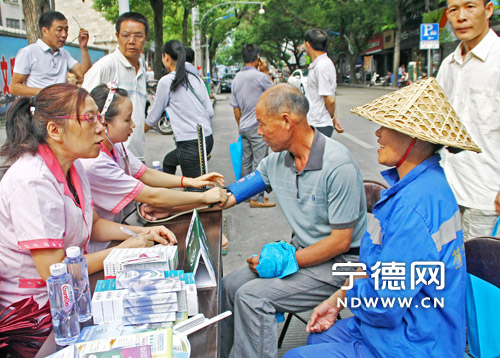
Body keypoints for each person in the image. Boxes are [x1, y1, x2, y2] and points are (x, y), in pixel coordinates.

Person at [284, 77, 477, 358]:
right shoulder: (417, 186)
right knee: (319, 339)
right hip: (407, 325)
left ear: (413, 136)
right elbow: (377, 267)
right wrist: (337, 299)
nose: (378, 134)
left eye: (386, 126)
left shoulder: (414, 205)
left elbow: (384, 305)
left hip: (414, 341)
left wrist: (348, 295)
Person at [0, 84, 174, 337]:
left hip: (74, 295)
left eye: (100, 118)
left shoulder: (74, 165)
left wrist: (140, 233)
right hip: (38, 316)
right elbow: (54, 269)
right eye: (89, 119)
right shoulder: (32, 180)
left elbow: (93, 224)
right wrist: (121, 252)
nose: (101, 128)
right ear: (55, 131)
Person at [218, 83, 367, 358]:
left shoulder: (338, 165)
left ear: (287, 121)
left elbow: (340, 241)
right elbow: (230, 195)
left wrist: (282, 263)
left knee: (253, 297)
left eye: (262, 124)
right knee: (229, 286)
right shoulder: (276, 162)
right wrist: (187, 197)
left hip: (341, 264)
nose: (258, 132)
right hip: (302, 253)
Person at [81, 83, 228, 252]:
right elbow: (152, 195)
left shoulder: (116, 147)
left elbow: (146, 174)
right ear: (104, 123)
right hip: (107, 242)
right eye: (127, 120)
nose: (133, 125)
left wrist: (192, 182)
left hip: (122, 227)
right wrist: (203, 197)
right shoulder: (96, 162)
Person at [436, 0, 499, 240]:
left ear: (489, 10)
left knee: (482, 272)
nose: (461, 17)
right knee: (449, 269)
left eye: (470, 6)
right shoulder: (448, 65)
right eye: (454, 10)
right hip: (448, 191)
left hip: (486, 198)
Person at [82, 12, 149, 162]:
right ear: (117, 36)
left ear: (146, 38)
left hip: (135, 156)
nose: (132, 41)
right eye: (126, 35)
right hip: (108, 157)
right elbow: (84, 110)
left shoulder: (142, 71)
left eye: (138, 35)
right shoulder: (105, 67)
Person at [145, 40, 214, 178]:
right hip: (207, 138)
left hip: (191, 144)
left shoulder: (166, 81)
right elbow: (210, 112)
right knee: (169, 162)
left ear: (166, 57)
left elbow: (153, 117)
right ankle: (170, 196)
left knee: (195, 191)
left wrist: (138, 132)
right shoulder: (196, 78)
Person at [230, 44, 275, 208]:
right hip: (258, 126)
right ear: (257, 57)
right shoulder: (260, 77)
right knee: (260, 161)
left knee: (246, 161)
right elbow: (276, 93)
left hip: (244, 126)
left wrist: (240, 126)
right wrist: (265, 71)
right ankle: (257, 198)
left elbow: (236, 108)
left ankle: (246, 194)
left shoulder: (236, 79)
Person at [9, 11, 91, 96]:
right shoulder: (28, 52)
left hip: (61, 106)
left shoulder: (64, 54)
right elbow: (14, 87)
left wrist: (83, 47)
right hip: (39, 107)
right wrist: (48, 93)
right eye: (59, 30)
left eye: (66, 30)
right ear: (44, 31)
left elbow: (85, 73)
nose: (64, 35)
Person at [304, 28, 343, 137]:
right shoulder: (319, 64)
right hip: (316, 122)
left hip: (319, 124)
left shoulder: (322, 66)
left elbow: (330, 100)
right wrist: (334, 118)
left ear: (308, 44)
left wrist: (332, 118)